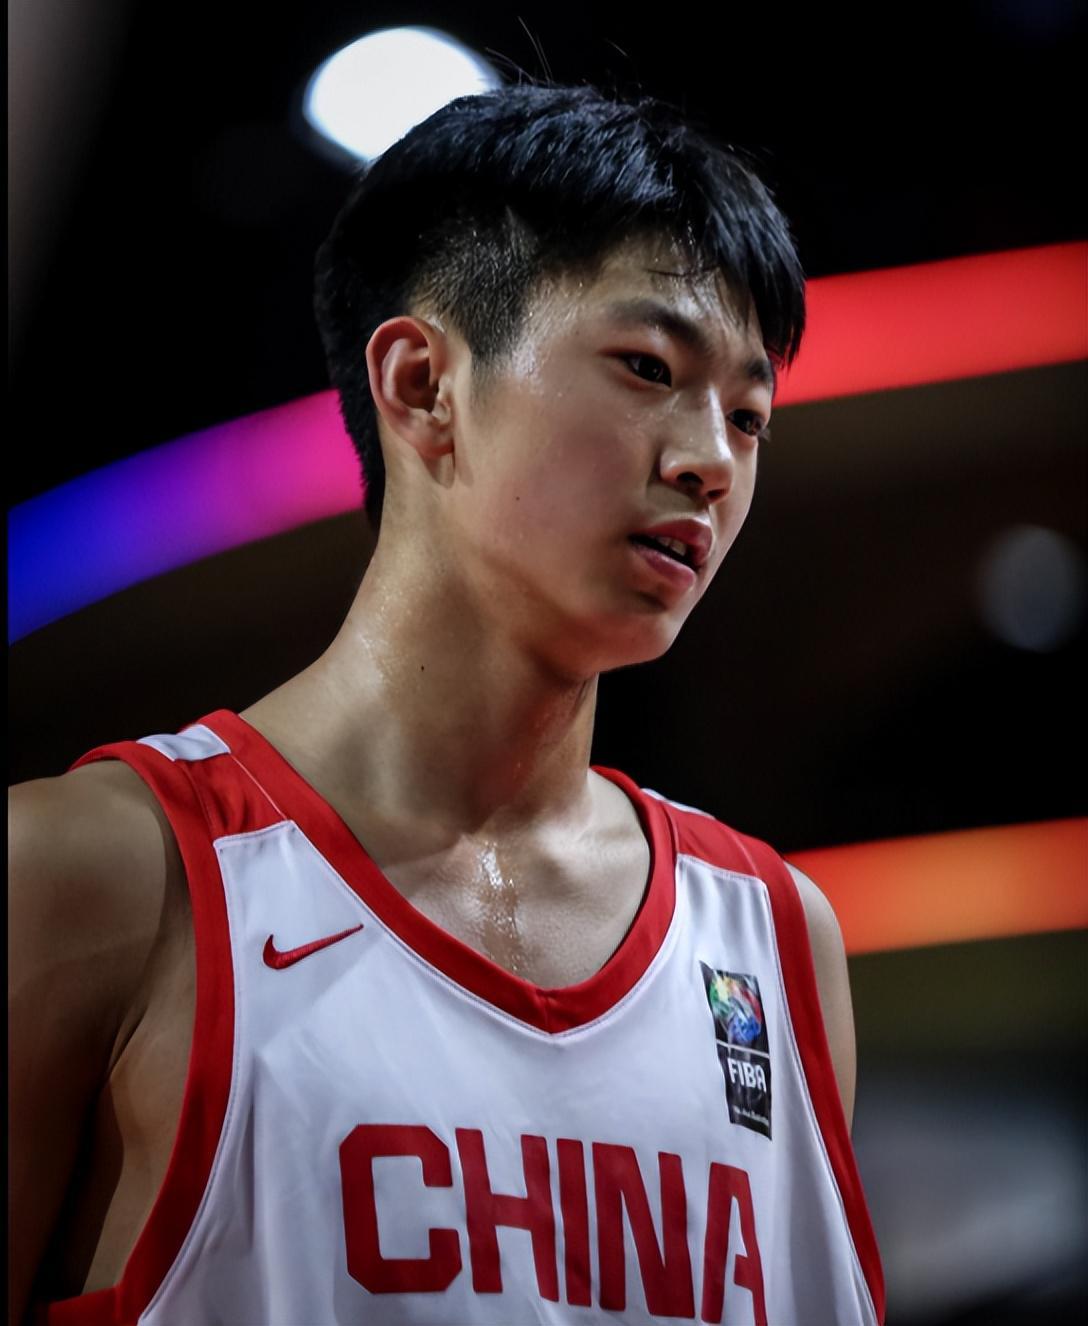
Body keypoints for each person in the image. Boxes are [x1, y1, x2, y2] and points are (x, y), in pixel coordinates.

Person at [9, 83, 885, 1325]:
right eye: (648, 368)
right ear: (422, 386)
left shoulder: (773, 944)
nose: (709, 462)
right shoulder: (87, 879)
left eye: (748, 417)